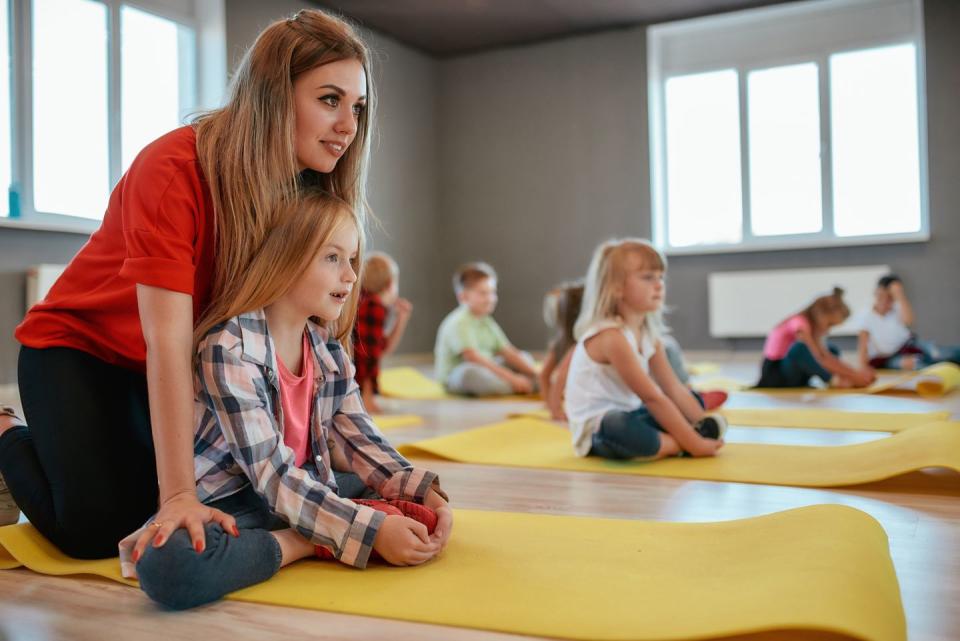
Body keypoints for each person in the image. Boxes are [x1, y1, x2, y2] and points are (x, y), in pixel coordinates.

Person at [0, 9, 376, 552]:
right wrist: (178, 494)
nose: (348, 125)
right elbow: (167, 340)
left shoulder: (302, 193)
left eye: (357, 107)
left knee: (195, 499)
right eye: (329, 99)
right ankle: (7, 431)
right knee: (97, 529)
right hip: (78, 350)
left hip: (171, 369)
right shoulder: (174, 167)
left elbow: (296, 338)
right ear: (273, 96)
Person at [129, 192, 452, 610]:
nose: (351, 276)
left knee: (397, 497)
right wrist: (363, 533)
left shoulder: (328, 352)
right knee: (168, 564)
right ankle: (306, 541)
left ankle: (331, 524)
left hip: (301, 485)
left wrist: (424, 492)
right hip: (237, 499)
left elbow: (363, 443)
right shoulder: (228, 348)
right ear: (285, 259)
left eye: (352, 260)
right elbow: (272, 476)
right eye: (333, 258)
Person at [564, 238, 725, 461]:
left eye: (661, 277)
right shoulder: (611, 337)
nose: (659, 285)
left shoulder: (649, 335)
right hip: (600, 430)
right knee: (619, 425)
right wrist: (695, 443)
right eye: (648, 278)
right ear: (617, 288)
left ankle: (674, 440)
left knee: (690, 400)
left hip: (635, 412)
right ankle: (675, 444)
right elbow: (652, 396)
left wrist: (704, 421)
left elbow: (673, 388)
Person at [434, 262, 538, 396]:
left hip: (488, 369)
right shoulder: (459, 322)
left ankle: (529, 383)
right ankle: (524, 386)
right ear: (463, 297)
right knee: (469, 375)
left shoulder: (487, 321)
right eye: (483, 293)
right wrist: (512, 378)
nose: (490, 299)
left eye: (492, 293)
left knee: (524, 357)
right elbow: (473, 358)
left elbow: (508, 352)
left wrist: (536, 374)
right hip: (462, 374)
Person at [756, 288, 875, 388]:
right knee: (800, 348)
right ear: (820, 314)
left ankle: (840, 379)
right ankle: (834, 381)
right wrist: (855, 376)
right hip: (775, 375)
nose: (828, 330)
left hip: (795, 376)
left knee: (831, 350)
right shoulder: (800, 324)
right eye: (829, 324)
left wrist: (855, 374)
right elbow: (818, 357)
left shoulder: (811, 329)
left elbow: (825, 355)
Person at [854, 275, 960, 370]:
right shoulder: (865, 315)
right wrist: (862, 368)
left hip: (910, 345)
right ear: (878, 292)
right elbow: (863, 345)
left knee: (939, 353)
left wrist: (899, 295)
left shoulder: (897, 307)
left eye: (891, 297)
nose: (888, 300)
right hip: (888, 358)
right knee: (918, 365)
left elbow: (908, 321)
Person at [352, 252, 413, 413]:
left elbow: (380, 348)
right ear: (390, 284)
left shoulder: (364, 301)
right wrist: (367, 398)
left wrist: (401, 319)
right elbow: (367, 356)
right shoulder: (373, 306)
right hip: (355, 377)